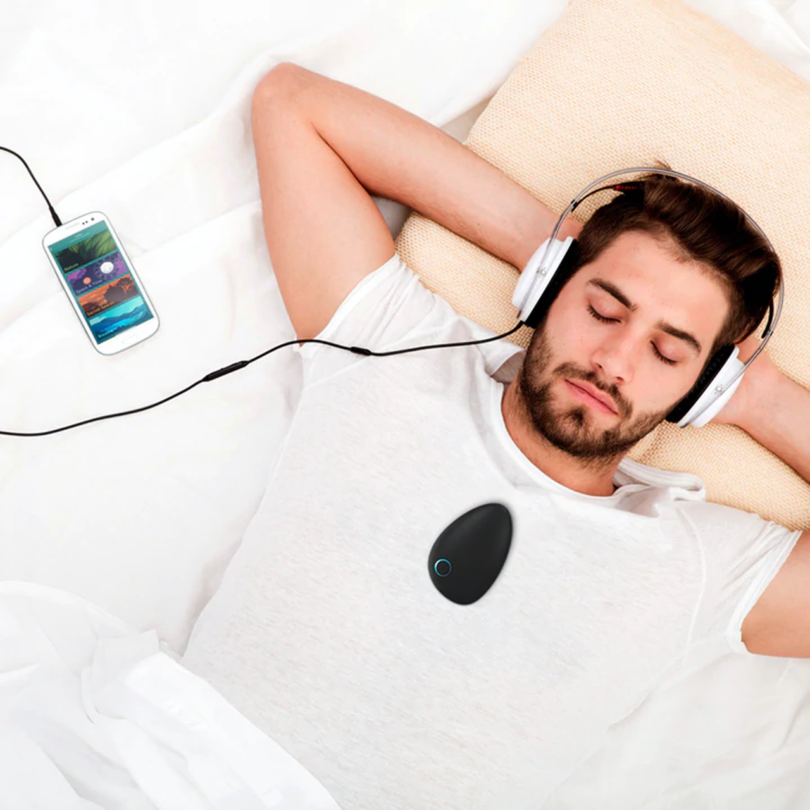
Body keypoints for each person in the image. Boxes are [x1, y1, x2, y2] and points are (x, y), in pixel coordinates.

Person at [180, 62, 810, 809]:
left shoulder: (703, 563)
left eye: (669, 352)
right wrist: (541, 248)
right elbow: (294, 104)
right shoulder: (392, 348)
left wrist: (759, 398)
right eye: (603, 309)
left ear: (701, 388)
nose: (613, 360)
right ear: (548, 290)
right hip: (167, 770)